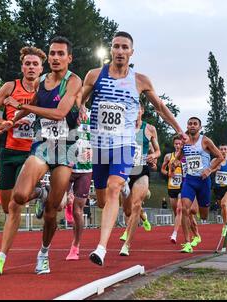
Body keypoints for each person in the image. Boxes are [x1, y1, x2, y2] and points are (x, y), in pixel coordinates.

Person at [80, 31, 187, 266]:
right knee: (101, 200)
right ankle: (127, 191)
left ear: (131, 52)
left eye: (124, 47)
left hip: (124, 145)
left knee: (113, 188)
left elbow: (159, 106)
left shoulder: (140, 80)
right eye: (116, 46)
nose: (120, 51)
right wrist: (79, 107)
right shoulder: (95, 75)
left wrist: (178, 129)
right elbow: (79, 98)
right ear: (111, 50)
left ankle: (101, 248)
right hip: (99, 145)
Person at [0, 36, 82, 275]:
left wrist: (27, 108)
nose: (55, 57)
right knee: (18, 197)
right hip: (42, 144)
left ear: (69, 58)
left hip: (65, 147)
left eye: (61, 54)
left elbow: (60, 112)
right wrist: (10, 122)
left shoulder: (73, 81)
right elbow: (27, 105)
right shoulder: (42, 81)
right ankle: (39, 192)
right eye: (52, 53)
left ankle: (43, 253)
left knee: (52, 210)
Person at [0, 46, 48, 217]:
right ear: (22, 67)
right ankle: (41, 192)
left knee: (20, 196)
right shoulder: (10, 87)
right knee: (7, 207)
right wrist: (4, 122)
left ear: (41, 69)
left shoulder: (45, 91)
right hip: (9, 150)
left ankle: (38, 192)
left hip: (31, 153)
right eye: (28, 64)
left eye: (35, 64)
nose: (31, 67)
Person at [174, 117, 223, 253]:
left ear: (200, 127)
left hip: (203, 181)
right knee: (184, 209)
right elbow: (179, 156)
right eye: (190, 123)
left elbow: (220, 156)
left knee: (203, 215)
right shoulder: (185, 142)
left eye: (195, 124)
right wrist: (175, 162)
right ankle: (188, 243)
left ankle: (197, 232)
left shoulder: (205, 140)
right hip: (189, 180)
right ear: (187, 126)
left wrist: (209, 169)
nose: (192, 126)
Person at [118, 105, 161, 256]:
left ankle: (126, 245)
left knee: (136, 206)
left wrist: (153, 156)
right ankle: (138, 219)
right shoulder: (122, 127)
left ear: (142, 111)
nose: (134, 112)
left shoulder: (149, 129)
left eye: (137, 109)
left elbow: (158, 151)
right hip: (125, 171)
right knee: (128, 210)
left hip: (141, 170)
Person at [65, 110, 93, 261]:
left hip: (85, 170)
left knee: (78, 211)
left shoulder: (92, 115)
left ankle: (75, 246)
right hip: (66, 166)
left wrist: (93, 152)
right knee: (57, 203)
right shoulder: (67, 110)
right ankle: (65, 201)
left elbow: (101, 139)